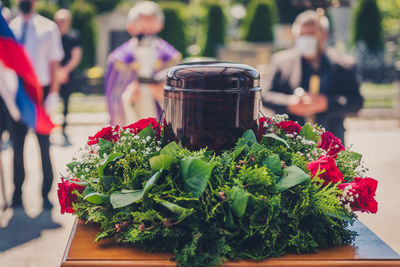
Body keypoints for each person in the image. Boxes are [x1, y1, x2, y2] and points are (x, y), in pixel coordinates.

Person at [261, 10, 363, 143]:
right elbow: (266, 96)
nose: (305, 39)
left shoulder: (344, 64)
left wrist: (327, 103)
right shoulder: (281, 61)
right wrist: (289, 103)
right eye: (302, 35)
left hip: (330, 142)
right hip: (289, 142)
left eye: (310, 35)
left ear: (324, 35)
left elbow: (356, 102)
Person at [9, 0, 64, 209]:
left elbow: (54, 63)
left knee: (44, 146)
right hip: (18, 95)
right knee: (17, 147)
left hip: (41, 94)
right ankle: (17, 193)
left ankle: (46, 193)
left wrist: (54, 94)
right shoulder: (10, 28)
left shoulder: (48, 28)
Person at [105, 1, 181, 126]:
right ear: (131, 27)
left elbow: (180, 100)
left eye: (151, 30)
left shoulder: (170, 58)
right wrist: (128, 98)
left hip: (159, 117)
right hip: (132, 119)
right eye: (143, 31)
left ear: (160, 26)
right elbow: (112, 98)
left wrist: (163, 96)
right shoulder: (119, 59)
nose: (147, 36)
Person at [54, 9, 82, 145]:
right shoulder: (51, 36)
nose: (60, 23)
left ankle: (64, 127)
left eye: (63, 21)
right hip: (53, 74)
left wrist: (64, 71)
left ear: (68, 22)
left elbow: (76, 56)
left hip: (67, 74)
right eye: (58, 21)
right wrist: (56, 72)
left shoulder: (74, 36)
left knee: (66, 102)